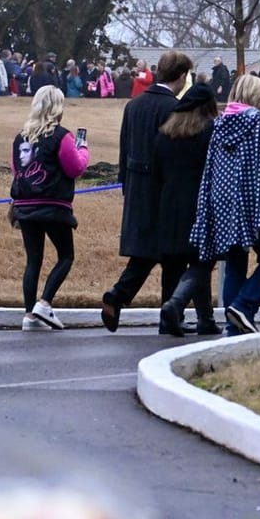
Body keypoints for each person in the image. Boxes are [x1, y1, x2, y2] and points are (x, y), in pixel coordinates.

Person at [189, 74, 260, 333]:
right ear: (257, 98)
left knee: (236, 261)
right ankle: (243, 305)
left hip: (224, 200)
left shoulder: (219, 125)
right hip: (258, 201)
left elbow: (211, 167)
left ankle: (232, 325)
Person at [101, 52, 190, 331]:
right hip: (165, 191)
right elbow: (176, 156)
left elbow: (124, 146)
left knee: (146, 253)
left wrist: (126, 183)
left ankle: (118, 296)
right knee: (174, 257)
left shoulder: (134, 105)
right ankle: (170, 316)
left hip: (138, 187)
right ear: (181, 75)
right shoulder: (174, 109)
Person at [10, 86, 89, 330]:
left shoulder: (20, 137)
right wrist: (83, 148)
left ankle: (29, 315)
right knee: (66, 255)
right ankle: (44, 303)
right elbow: (75, 168)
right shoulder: (61, 136)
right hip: (53, 204)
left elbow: (16, 171)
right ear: (58, 107)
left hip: (25, 204)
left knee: (33, 260)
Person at [153, 84, 221, 336]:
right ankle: (178, 304)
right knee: (202, 260)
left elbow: (157, 171)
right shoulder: (209, 133)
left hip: (168, 203)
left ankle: (178, 317)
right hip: (199, 203)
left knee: (172, 263)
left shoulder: (163, 135)